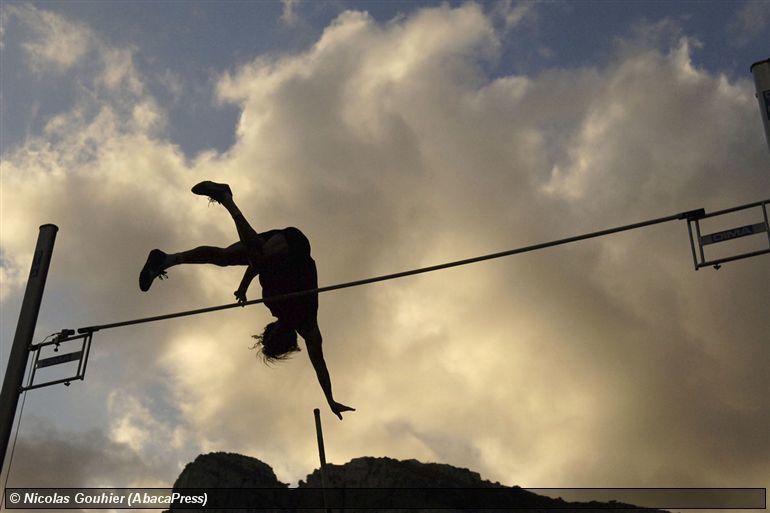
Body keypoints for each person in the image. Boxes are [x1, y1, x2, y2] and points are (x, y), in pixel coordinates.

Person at [139, 181, 355, 420]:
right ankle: (226, 199)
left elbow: (259, 264)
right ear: (282, 338)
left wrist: (330, 401)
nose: (276, 332)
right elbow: (320, 365)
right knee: (256, 254)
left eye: (272, 337)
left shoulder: (273, 304)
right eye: (276, 338)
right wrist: (243, 287)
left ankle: (166, 260)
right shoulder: (307, 325)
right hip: (295, 246)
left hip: (271, 249)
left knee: (224, 257)